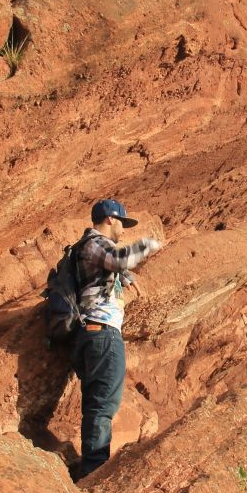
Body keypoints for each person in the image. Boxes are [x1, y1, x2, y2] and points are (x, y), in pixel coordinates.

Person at [70, 198, 162, 478]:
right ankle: (93, 473)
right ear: (110, 219)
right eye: (122, 222)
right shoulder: (95, 243)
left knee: (98, 404)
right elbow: (117, 259)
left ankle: (90, 467)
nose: (124, 229)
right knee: (102, 406)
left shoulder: (89, 248)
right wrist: (148, 244)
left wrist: (128, 277)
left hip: (92, 333)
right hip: (101, 333)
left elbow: (113, 268)